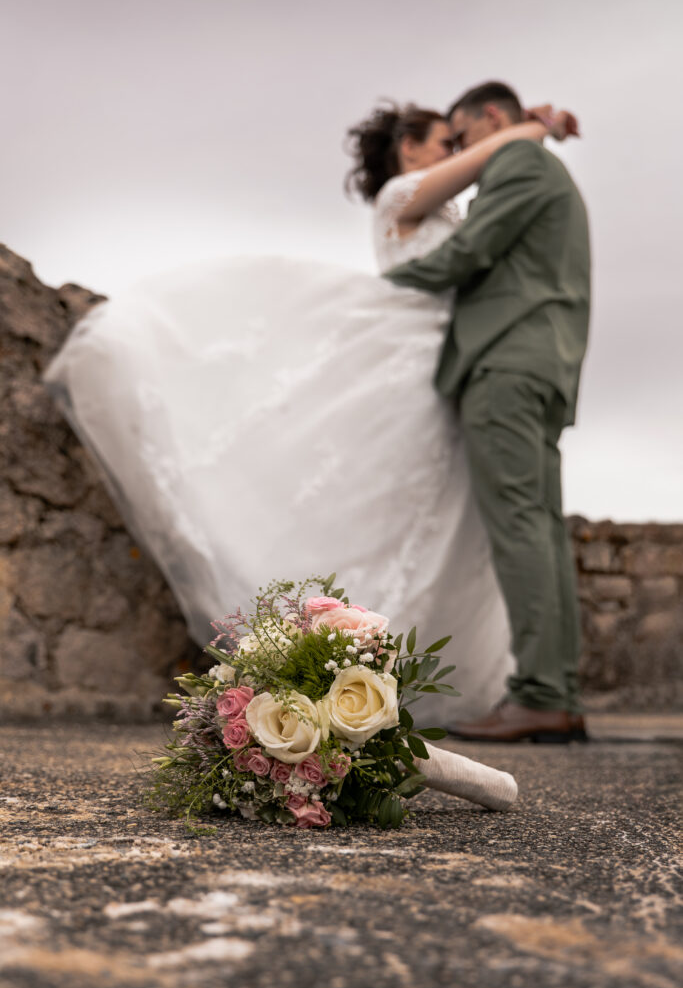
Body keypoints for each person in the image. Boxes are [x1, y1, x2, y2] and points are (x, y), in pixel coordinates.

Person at [44, 97, 573, 728]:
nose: (454, 155)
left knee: (437, 522)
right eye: (443, 143)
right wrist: (533, 128)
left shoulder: (441, 201)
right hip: (421, 358)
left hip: (453, 361)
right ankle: (353, 656)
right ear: (408, 150)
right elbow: (489, 168)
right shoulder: (404, 192)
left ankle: (401, 668)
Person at [385, 82, 590, 742]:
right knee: (541, 526)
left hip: (507, 362)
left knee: (519, 525)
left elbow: (468, 250)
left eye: (466, 139)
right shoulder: (537, 162)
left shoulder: (519, 161)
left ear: (492, 120)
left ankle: (538, 694)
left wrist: (384, 286)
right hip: (542, 361)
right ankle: (553, 692)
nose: (469, 158)